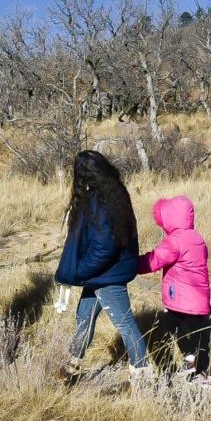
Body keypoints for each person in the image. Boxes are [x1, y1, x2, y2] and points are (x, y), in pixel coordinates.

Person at [53, 150, 149, 378]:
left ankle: (145, 378)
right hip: (105, 273)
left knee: (126, 326)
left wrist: (79, 271)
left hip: (107, 276)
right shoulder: (115, 193)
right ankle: (71, 366)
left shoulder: (98, 202)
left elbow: (104, 247)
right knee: (84, 318)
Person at [138, 196, 211, 385]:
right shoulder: (197, 237)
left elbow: (155, 260)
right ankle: (197, 365)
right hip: (200, 298)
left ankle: (203, 372)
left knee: (173, 324)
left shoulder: (175, 241)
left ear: (171, 218)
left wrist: (131, 264)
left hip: (183, 299)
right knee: (199, 334)